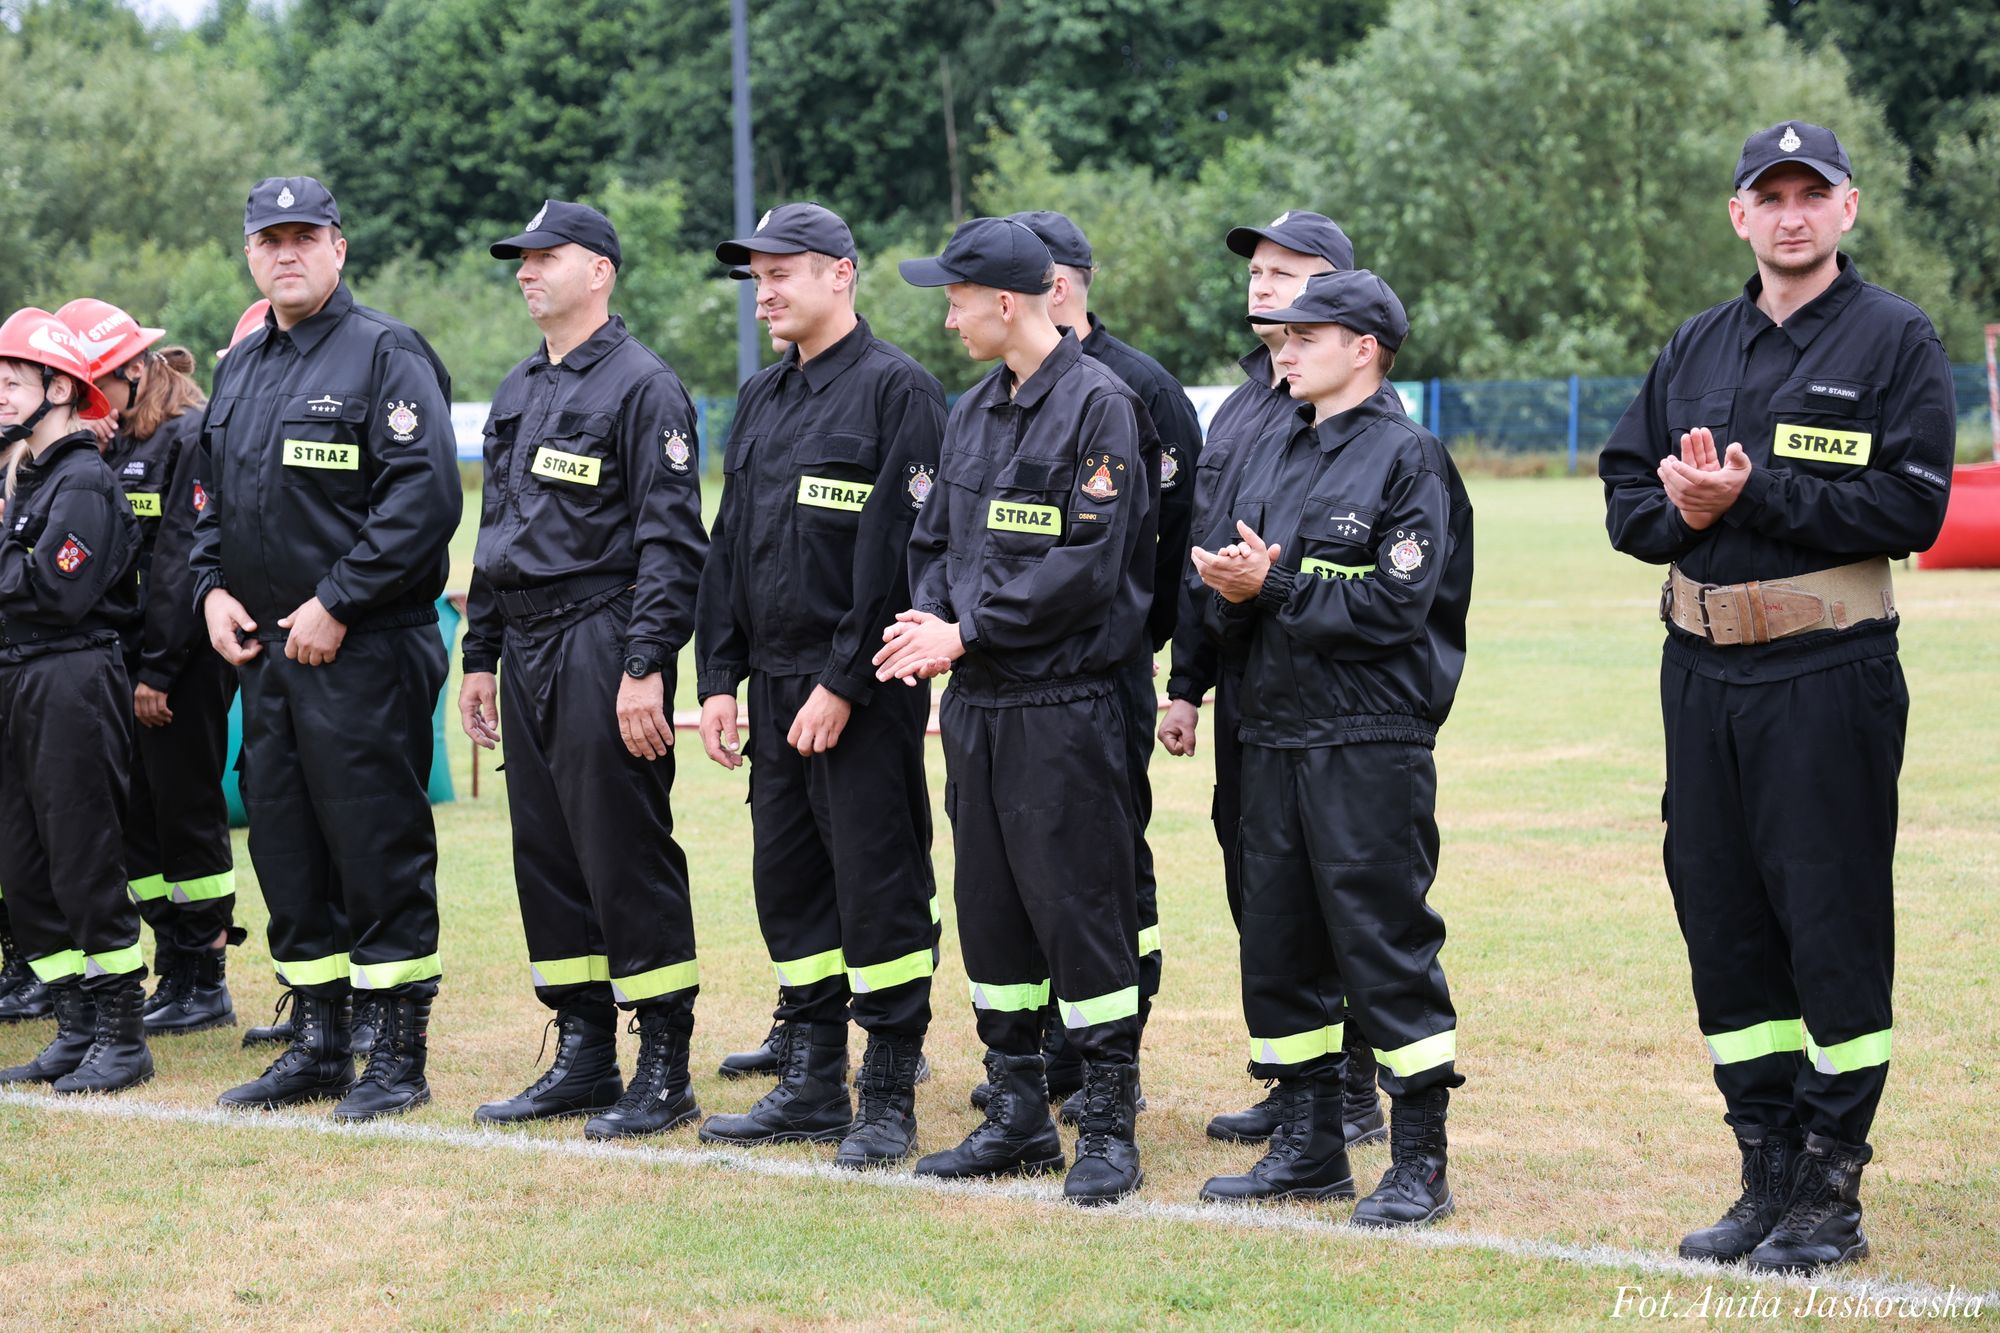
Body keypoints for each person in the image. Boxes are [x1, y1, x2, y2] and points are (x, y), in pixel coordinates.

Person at [1600, 121, 1955, 1273]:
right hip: (1698, 670)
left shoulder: (1894, 338)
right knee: (1722, 919)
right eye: (1770, 195)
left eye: (1813, 194)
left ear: (1845, 212)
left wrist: (1750, 499)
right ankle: (1762, 1172)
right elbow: (1625, 500)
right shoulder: (1693, 344)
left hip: (1824, 673)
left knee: (1830, 922)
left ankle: (1829, 1190)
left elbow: (1911, 509)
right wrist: (1683, 518)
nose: (1790, 213)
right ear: (1737, 214)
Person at [877, 216, 1159, 1205]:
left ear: (1004, 301)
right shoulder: (968, 413)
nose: (945, 316)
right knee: (989, 909)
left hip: (1063, 704)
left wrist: (967, 629)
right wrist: (931, 618)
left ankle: (1109, 1128)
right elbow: (933, 540)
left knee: (1081, 907)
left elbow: (1086, 565)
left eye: (953, 298)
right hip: (979, 706)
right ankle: (1015, 1113)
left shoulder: (1099, 408)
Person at [1191, 270, 1470, 1225]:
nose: (1286, 347)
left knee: (1382, 944)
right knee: (1279, 946)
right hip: (1269, 730)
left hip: (1366, 739)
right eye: (1281, 335)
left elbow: (1397, 605)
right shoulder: (1275, 452)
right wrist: (1227, 592)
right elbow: (1245, 592)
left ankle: (1420, 1158)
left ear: (1365, 348)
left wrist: (1268, 587)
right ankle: (1309, 1147)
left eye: (1308, 333)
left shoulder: (1409, 459)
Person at [192, 176, 458, 1121]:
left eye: (306, 236)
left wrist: (338, 601)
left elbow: (424, 500)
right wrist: (209, 588)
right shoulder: (244, 364)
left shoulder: (384, 353)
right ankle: (318, 1039)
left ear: (339, 247)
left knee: (377, 844)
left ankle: (397, 1050)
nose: (287, 252)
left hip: (364, 648)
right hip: (264, 657)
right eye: (270, 239)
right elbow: (209, 505)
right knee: (288, 847)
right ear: (252, 255)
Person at [694, 202, 946, 1168]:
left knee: (878, 887)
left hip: (862, 688)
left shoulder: (900, 394)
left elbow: (903, 557)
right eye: (756, 278)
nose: (765, 293)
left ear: (841, 273)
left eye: (782, 273)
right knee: (788, 883)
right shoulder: (760, 398)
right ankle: (809, 1080)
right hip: (771, 687)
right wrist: (717, 675)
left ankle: (885, 1094)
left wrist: (843, 681)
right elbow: (729, 550)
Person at [460, 199, 710, 1140]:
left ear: (599, 269)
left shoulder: (644, 387)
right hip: (521, 641)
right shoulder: (521, 386)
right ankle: (583, 1051)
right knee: (550, 853)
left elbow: (670, 543)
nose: (527, 272)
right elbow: (496, 534)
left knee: (623, 848)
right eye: (519, 259)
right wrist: (479, 652)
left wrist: (646, 664)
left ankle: (663, 1064)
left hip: (603, 636)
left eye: (546, 257)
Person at [1156, 211, 1387, 1149]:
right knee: (1260, 886)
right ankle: (1298, 1074)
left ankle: (1352, 1088)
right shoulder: (1250, 399)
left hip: (1328, 692)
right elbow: (1206, 555)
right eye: (1256, 269)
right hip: (1247, 680)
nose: (1262, 283)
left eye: (1286, 270)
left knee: (1333, 890)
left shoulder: (1353, 406)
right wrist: (1187, 682)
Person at [985, 209, 1202, 1125]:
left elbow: (1174, 548)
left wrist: (1152, 663)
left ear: (1056, 286)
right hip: (1018, 671)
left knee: (1106, 873)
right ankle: (1040, 1058)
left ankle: (1110, 1051)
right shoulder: (993, 396)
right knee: (1025, 870)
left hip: (1102, 670)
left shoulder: (1138, 391)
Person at [56, 298, 242, 1037]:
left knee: (186, 814)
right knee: (137, 820)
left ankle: (205, 974)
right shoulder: (107, 442)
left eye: (96, 381)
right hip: (122, 662)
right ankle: (174, 960)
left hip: (180, 663)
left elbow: (178, 567)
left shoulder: (187, 436)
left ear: (136, 369)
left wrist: (159, 671)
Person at [0, 307, 151, 1093]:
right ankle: (74, 1022)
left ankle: (123, 1033)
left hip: (70, 676)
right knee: (25, 866)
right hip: (17, 674)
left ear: (60, 387)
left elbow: (56, 586)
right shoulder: (21, 476)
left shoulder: (84, 478)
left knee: (84, 854)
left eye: (11, 379)